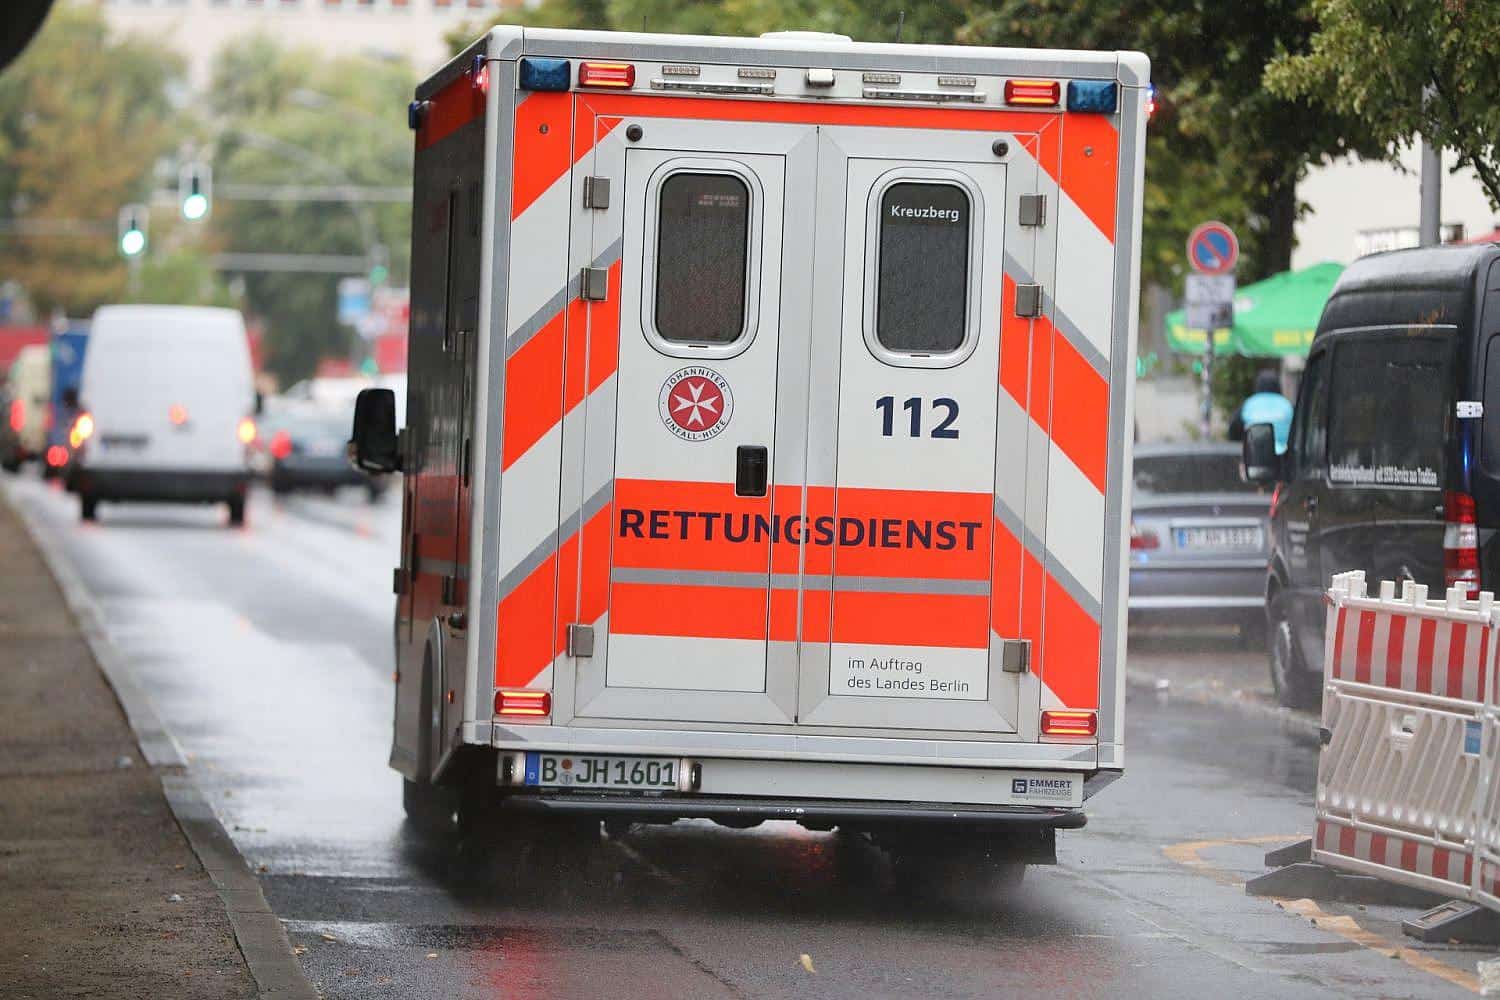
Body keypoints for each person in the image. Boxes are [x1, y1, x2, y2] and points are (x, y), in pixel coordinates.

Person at [1228, 369, 1293, 453]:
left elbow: (1234, 428)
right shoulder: (1287, 405)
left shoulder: (1249, 404)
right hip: (1283, 453)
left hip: (1254, 452)